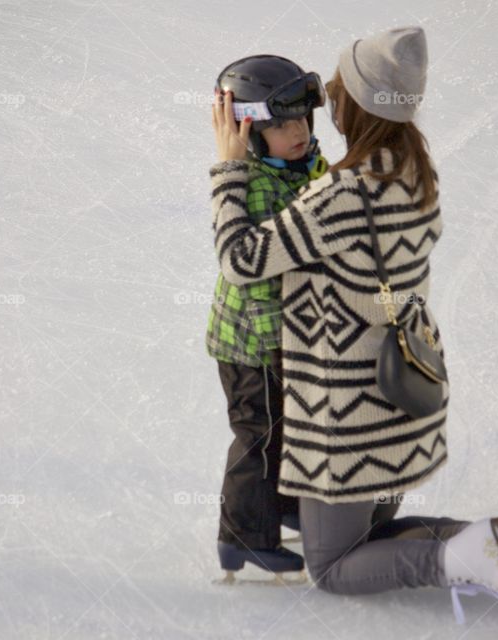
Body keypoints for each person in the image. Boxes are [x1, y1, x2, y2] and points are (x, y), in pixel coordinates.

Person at [209, 26, 498, 628]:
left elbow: (241, 259)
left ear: (357, 105)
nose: (325, 108)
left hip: (344, 414)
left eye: (337, 93)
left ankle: (464, 556)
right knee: (368, 523)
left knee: (334, 564)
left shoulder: (341, 194)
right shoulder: (416, 171)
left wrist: (229, 168)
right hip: (401, 391)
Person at [204, 55, 331, 581]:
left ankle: (279, 507)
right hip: (248, 345)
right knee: (258, 435)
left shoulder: (305, 166)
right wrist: (230, 164)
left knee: (289, 431)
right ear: (250, 135)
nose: (297, 131)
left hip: (284, 338)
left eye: (302, 118)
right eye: (279, 125)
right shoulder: (254, 183)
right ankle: (242, 538)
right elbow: (240, 262)